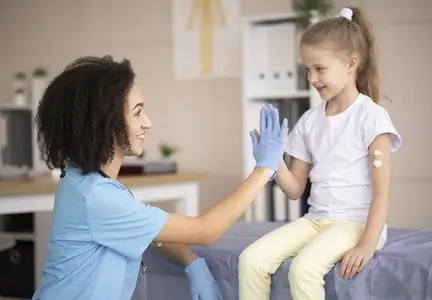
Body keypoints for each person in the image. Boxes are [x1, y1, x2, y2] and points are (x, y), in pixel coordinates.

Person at [31, 55, 288, 300]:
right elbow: (205, 230)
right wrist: (264, 169)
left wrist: (192, 261)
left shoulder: (84, 182)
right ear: (103, 122)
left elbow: (147, 231)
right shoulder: (97, 196)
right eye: (137, 112)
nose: (148, 123)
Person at [238, 7, 402, 300]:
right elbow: (294, 189)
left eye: (320, 69)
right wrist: (273, 161)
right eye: (307, 70)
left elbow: (381, 194)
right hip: (315, 221)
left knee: (303, 269)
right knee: (250, 260)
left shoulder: (372, 117)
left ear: (351, 64)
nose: (312, 78)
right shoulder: (309, 121)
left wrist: (366, 243)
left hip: (357, 222)